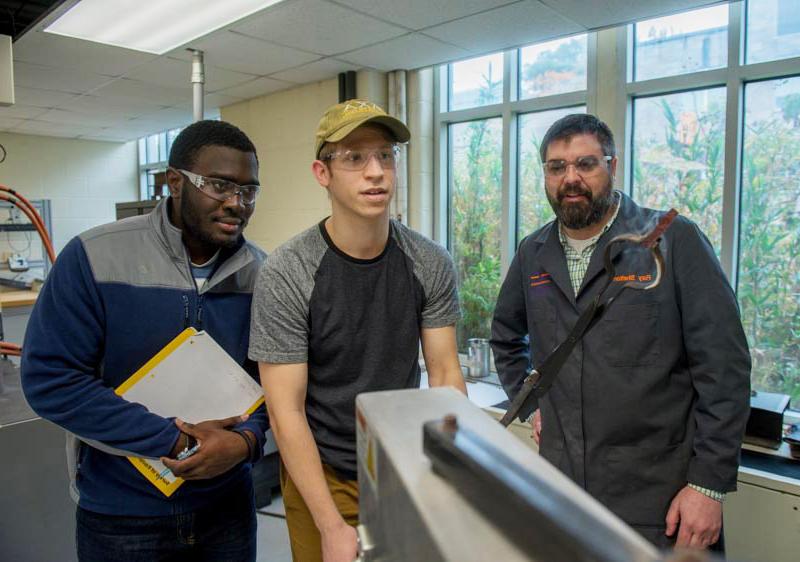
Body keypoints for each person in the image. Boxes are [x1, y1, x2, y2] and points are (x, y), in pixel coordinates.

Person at [491, 113, 750, 550]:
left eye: (585, 164)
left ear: (613, 165)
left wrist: (707, 486)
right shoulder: (533, 252)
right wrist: (533, 403)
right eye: (556, 167)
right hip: (563, 486)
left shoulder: (672, 241)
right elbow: (505, 335)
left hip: (658, 499)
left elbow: (723, 367)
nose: (570, 178)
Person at [21, 120, 270, 561]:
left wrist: (246, 441)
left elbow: (272, 381)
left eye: (249, 191)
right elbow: (51, 381)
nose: (237, 203)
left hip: (227, 510)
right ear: (174, 182)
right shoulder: (94, 256)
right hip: (122, 515)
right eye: (219, 185)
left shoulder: (262, 273)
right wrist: (173, 441)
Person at [250, 99, 467, 562]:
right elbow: (284, 410)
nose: (376, 172)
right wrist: (330, 524)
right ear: (322, 172)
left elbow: (446, 373)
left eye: (385, 156)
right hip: (321, 468)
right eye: (354, 158)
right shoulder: (288, 271)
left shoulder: (429, 262)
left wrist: (448, 473)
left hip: (401, 462)